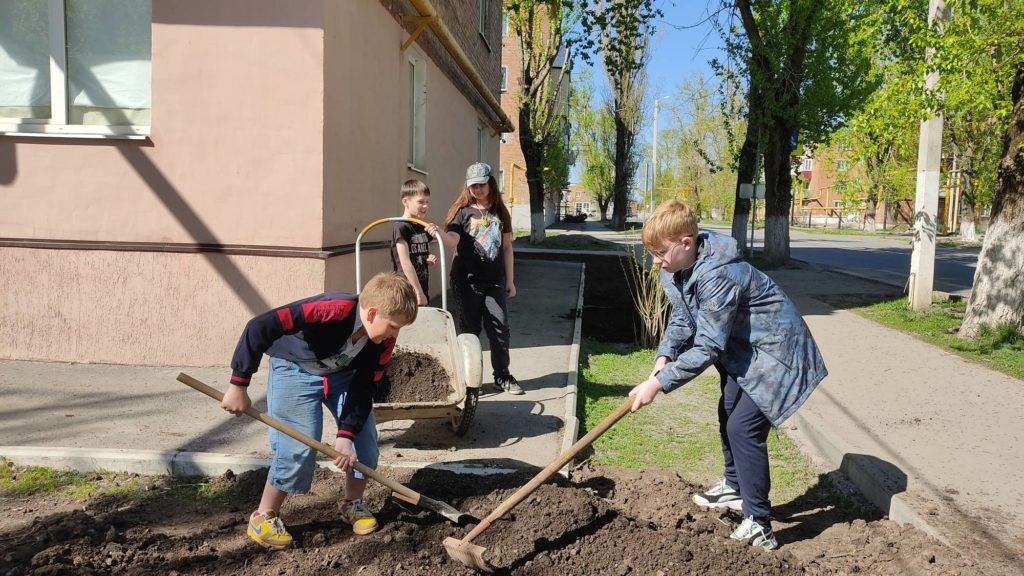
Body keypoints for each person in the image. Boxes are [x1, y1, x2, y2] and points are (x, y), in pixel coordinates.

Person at [627, 200, 827, 551]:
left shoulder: (719, 275)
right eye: (651, 253)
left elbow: (707, 346)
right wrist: (664, 356)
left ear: (686, 243)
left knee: (743, 428)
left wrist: (658, 383)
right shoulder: (676, 269)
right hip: (744, 352)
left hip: (776, 353)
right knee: (728, 412)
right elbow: (683, 317)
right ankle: (735, 487)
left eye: (659, 252)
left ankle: (760, 524)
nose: (655, 261)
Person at [221, 272, 418, 550]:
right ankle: (263, 516)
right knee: (298, 446)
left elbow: (364, 387)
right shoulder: (332, 309)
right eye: (393, 326)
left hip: (343, 376)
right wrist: (239, 384)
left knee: (364, 444)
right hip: (295, 369)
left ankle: (352, 503)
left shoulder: (383, 341)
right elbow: (259, 326)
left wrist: (346, 435)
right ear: (372, 313)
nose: (395, 334)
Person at [438, 162, 522, 395]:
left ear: (490, 183)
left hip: (494, 281)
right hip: (467, 280)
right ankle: (469, 379)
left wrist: (510, 280)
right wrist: (440, 233)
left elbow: (507, 247)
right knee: (470, 330)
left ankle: (502, 375)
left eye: (482, 184)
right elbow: (453, 241)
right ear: (468, 187)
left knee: (499, 328)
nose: (478, 189)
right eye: (473, 185)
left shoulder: (500, 212)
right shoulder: (461, 212)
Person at [391, 179, 439, 306]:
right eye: (421, 202)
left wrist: (426, 259)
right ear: (405, 202)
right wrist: (418, 292)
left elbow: (418, 253)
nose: (425, 206)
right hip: (408, 289)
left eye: (427, 202)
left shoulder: (421, 226)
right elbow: (405, 262)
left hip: (422, 285)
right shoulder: (401, 226)